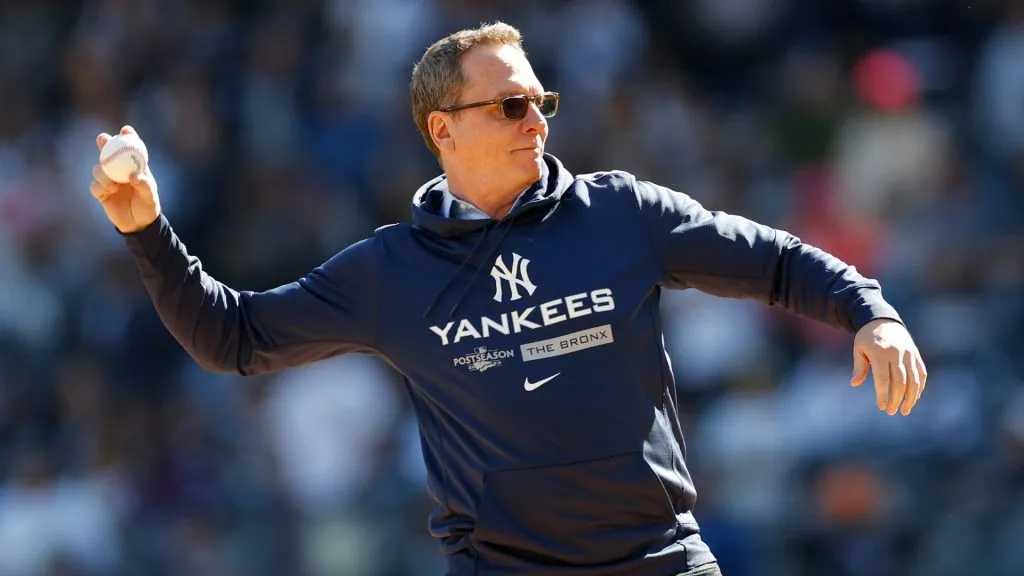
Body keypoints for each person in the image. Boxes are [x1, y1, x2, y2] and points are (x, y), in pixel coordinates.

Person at [88, 21, 926, 576]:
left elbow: (777, 260)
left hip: (660, 562)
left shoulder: (622, 212)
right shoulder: (392, 271)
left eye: (541, 102)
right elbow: (232, 337)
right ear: (443, 130)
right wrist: (146, 228)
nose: (537, 121)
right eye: (510, 105)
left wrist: (871, 313)